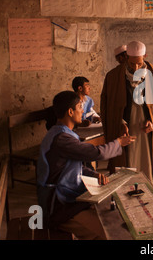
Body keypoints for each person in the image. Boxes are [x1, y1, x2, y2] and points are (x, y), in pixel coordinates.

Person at [36, 91, 135, 239]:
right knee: (108, 234)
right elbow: (97, 153)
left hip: (67, 199)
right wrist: (119, 143)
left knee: (111, 214)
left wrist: (93, 174)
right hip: (59, 207)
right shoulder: (62, 139)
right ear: (70, 112)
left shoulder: (61, 133)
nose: (83, 110)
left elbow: (72, 168)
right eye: (79, 106)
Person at [100, 41, 153, 199]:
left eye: (139, 63)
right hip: (126, 128)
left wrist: (152, 121)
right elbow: (108, 106)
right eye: (132, 64)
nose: (136, 68)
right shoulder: (113, 77)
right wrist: (120, 123)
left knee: (149, 162)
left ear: (145, 56)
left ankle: (151, 193)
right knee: (128, 160)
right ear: (126, 58)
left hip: (146, 130)